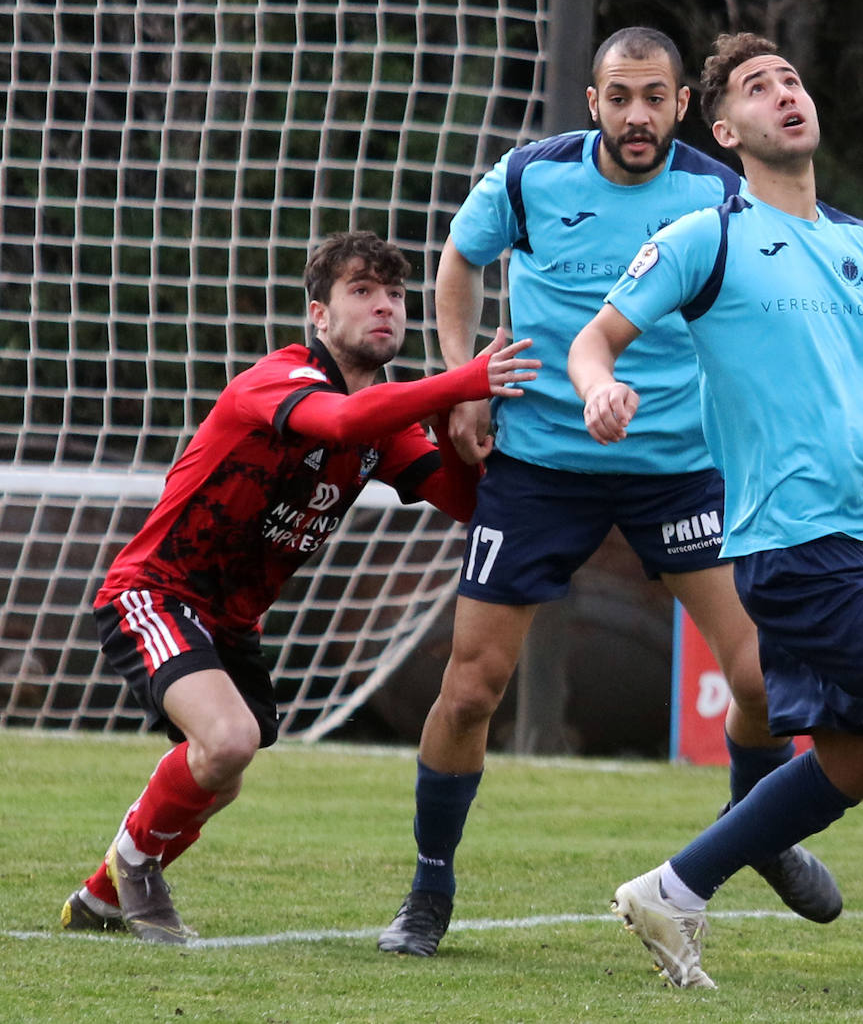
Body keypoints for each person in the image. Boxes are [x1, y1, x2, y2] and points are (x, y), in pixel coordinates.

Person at [567, 32, 863, 1002]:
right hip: (794, 549)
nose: (786, 96)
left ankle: (673, 888)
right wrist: (600, 389)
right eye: (759, 89)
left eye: (792, 81)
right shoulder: (708, 238)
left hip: (862, 537)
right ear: (725, 128)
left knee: (859, 763)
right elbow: (593, 342)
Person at [377, 27, 841, 960]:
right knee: (472, 688)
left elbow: (770, 291)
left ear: (682, 109)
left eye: (655, 98)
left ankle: (759, 830)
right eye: (620, 97)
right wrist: (463, 381)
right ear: (592, 103)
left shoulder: (717, 191)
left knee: (758, 677)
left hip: (680, 468)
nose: (638, 116)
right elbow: (458, 264)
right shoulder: (529, 178)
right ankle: (428, 890)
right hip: (542, 466)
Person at [60, 230, 540, 944]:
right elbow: (342, 420)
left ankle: (99, 899)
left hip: (231, 623)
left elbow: (467, 502)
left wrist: (456, 429)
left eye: (396, 295)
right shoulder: (277, 380)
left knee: (223, 772)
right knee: (226, 742)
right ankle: (135, 870)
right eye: (362, 292)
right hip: (156, 591)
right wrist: (463, 381)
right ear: (319, 316)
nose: (385, 308)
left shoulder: (390, 424)